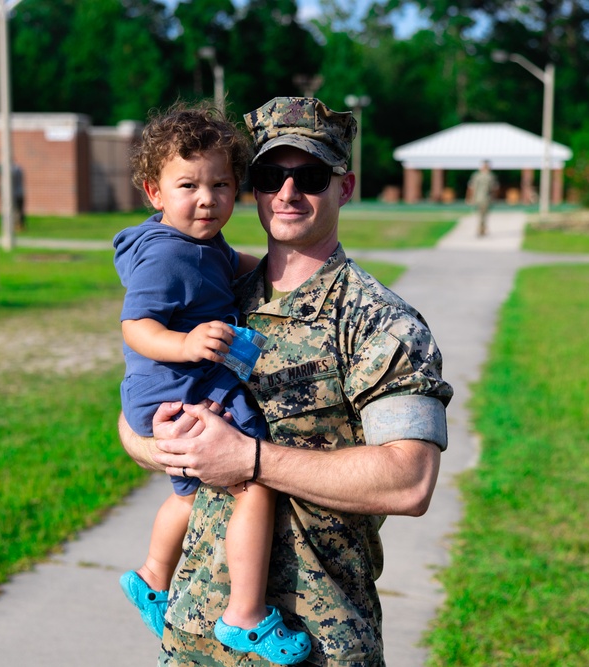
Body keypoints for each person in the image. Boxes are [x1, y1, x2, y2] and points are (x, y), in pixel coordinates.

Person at [118, 96, 454, 666]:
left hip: (315, 643)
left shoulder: (381, 323)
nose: (288, 193)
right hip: (194, 639)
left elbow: (410, 482)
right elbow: (134, 415)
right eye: (271, 175)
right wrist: (159, 448)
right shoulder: (216, 293)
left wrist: (248, 461)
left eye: (312, 176)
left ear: (344, 188)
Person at [113, 102, 311, 665]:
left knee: (191, 489)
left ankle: (153, 577)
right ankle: (243, 617)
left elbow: (236, 265)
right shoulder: (164, 258)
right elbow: (136, 325)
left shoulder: (200, 244)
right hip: (178, 381)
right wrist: (186, 344)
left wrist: (280, 274)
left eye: (221, 184)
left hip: (178, 381)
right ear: (154, 191)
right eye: (189, 185)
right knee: (253, 476)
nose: (207, 198)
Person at [467, 159, 498, 237]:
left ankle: (481, 228)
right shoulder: (490, 176)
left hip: (480, 198)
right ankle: (482, 228)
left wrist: (470, 197)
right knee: (483, 214)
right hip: (485, 198)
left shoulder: (477, 175)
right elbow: (494, 188)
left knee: (481, 214)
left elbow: (471, 187)